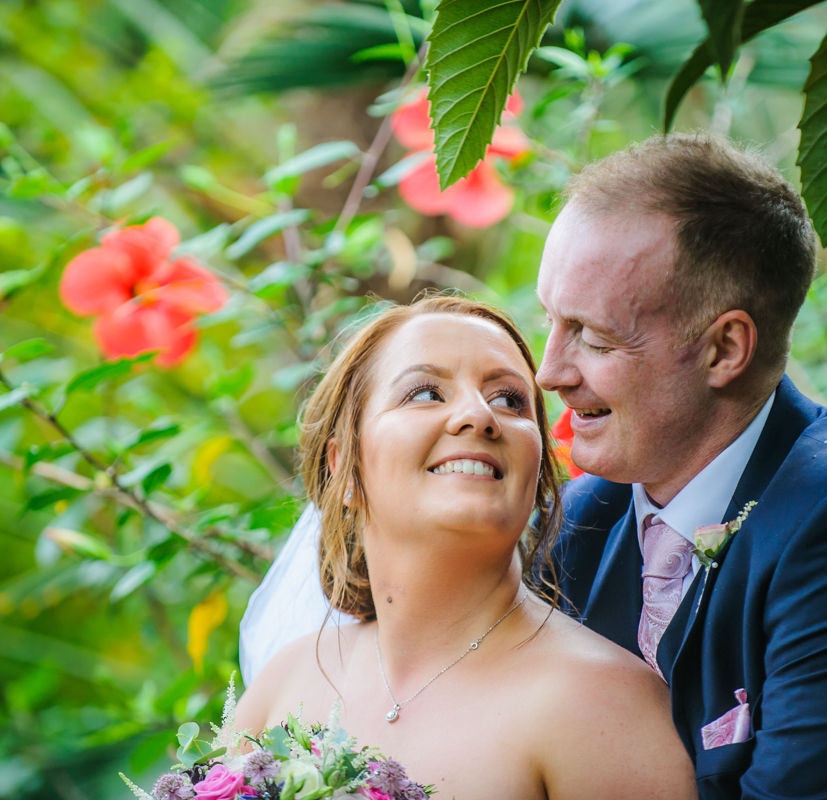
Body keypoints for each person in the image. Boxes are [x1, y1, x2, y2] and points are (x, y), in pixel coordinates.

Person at [243, 133, 827, 797]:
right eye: (550, 320)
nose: (548, 374)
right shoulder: (591, 515)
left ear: (723, 350)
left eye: (593, 337)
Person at [234, 296, 696, 800]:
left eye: (508, 400)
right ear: (343, 467)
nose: (479, 416)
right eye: (426, 393)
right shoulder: (284, 684)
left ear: (540, 473)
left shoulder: (601, 704)